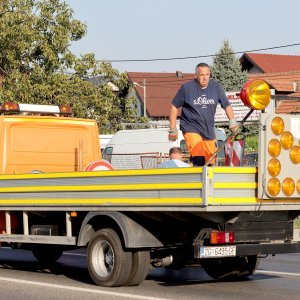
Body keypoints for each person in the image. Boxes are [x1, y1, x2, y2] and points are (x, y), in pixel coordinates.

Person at [169, 62, 238, 166]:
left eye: (207, 74)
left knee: (210, 161)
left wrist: (232, 121)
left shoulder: (216, 87)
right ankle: (198, 176)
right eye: (202, 75)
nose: (205, 78)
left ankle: (200, 176)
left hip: (208, 129)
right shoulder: (187, 88)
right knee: (199, 156)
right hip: (191, 127)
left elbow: (226, 105)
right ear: (196, 75)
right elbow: (174, 106)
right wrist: (173, 128)